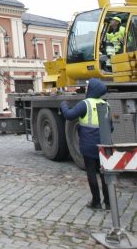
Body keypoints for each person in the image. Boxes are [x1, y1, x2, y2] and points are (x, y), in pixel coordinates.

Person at [60, 78, 110, 210]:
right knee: (105, 173)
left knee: (91, 172)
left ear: (92, 89)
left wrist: (63, 104)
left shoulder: (85, 104)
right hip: (104, 145)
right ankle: (109, 203)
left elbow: (69, 115)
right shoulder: (106, 105)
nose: (86, 89)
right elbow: (111, 128)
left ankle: (96, 202)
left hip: (88, 145)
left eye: (88, 87)